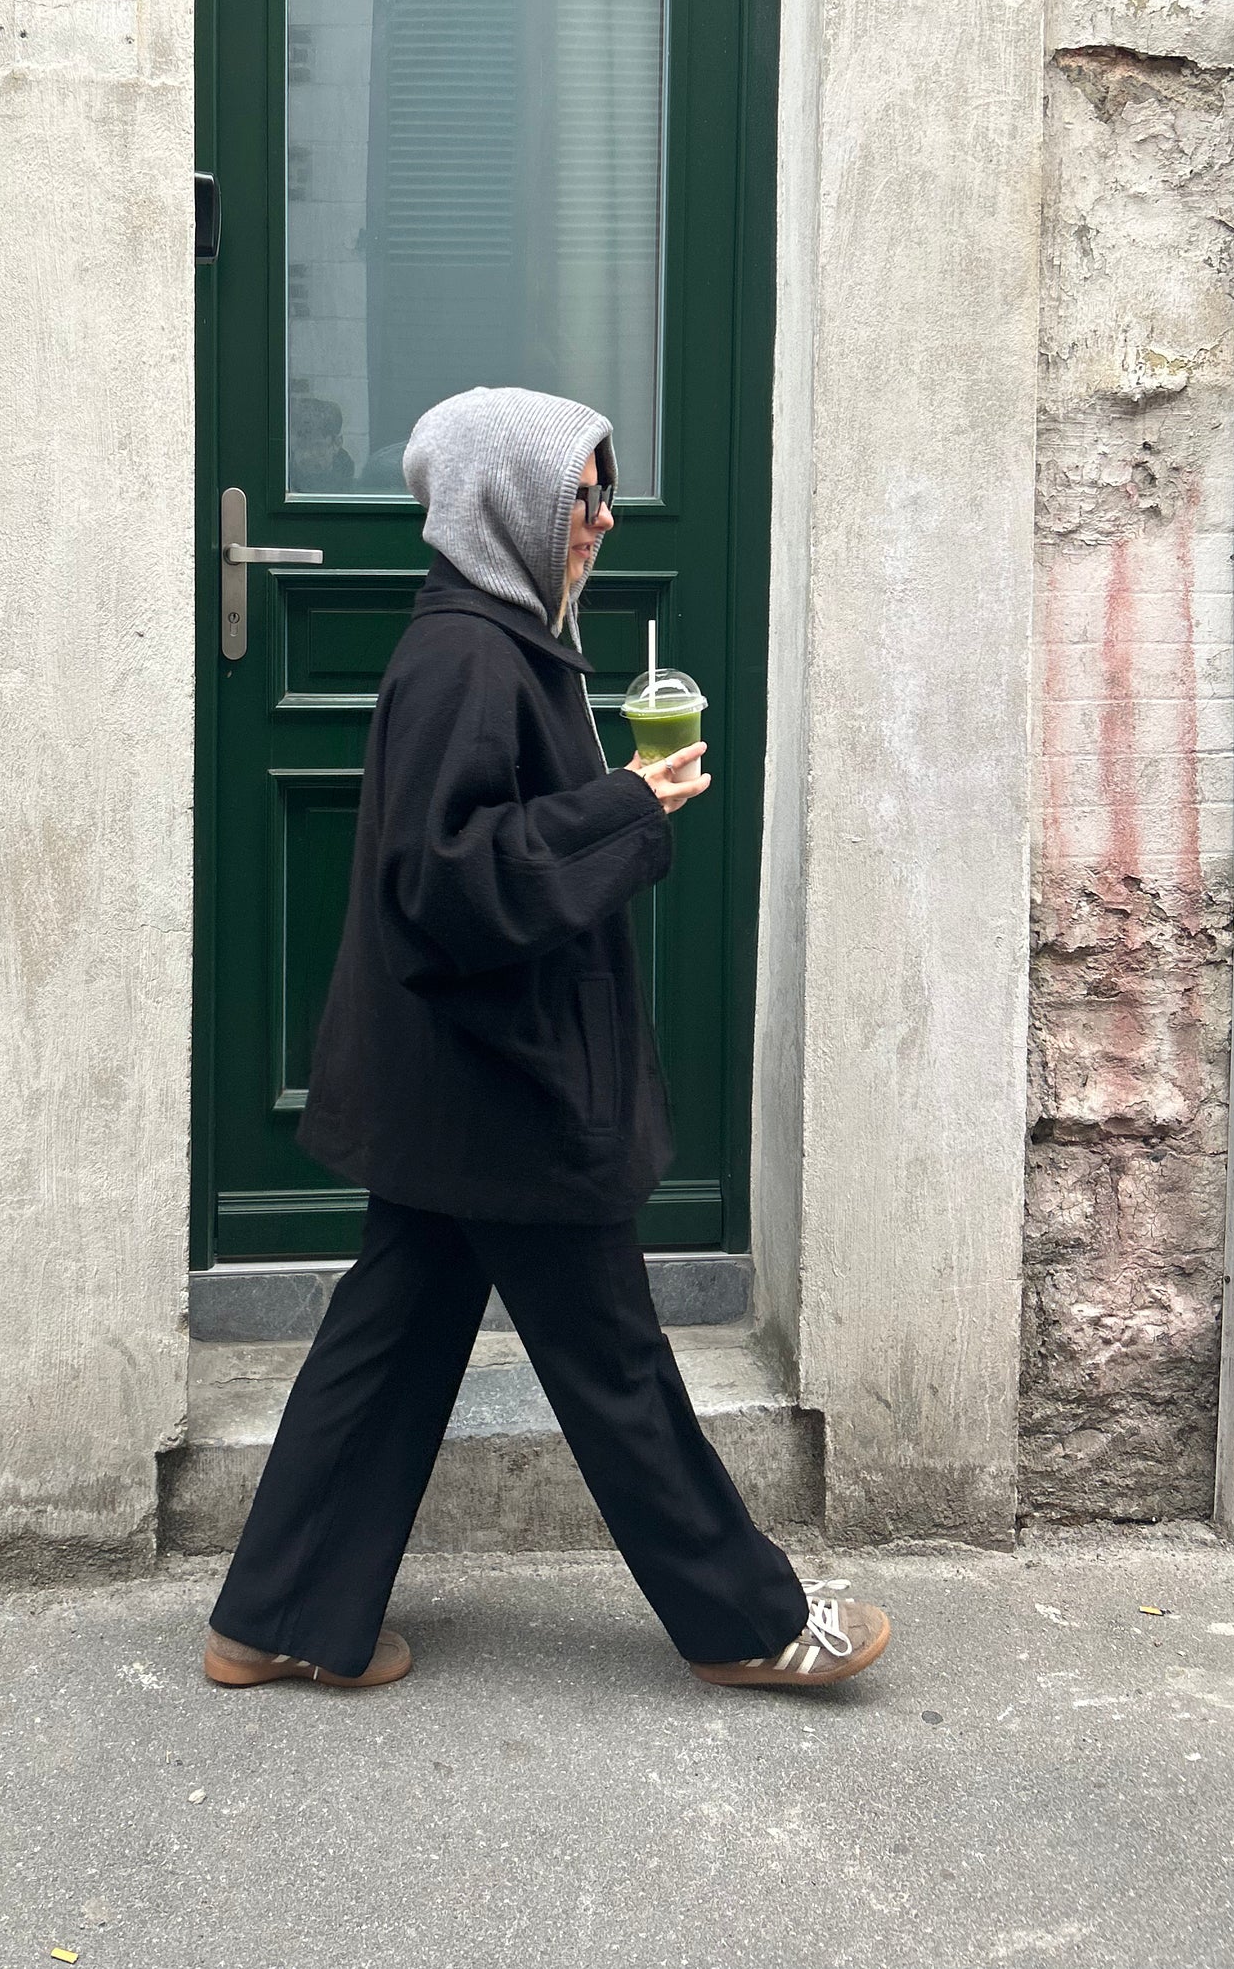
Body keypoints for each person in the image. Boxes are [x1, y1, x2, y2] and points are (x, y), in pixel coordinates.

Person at [204, 386, 891, 1694]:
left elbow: (471, 855)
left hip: (458, 1081)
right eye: (582, 494)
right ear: (506, 502)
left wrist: (620, 803)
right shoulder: (469, 659)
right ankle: (749, 1622)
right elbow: (443, 881)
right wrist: (623, 807)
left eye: (603, 491)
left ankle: (276, 1616)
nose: (604, 518)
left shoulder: (505, 640)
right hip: (502, 1083)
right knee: (616, 1362)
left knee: (389, 1343)